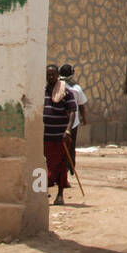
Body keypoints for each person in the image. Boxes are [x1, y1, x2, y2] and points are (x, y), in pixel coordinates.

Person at [42, 64, 78, 206]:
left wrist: (68, 130)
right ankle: (42, 193)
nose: (50, 77)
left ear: (58, 76)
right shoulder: (41, 91)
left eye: (53, 74)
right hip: (45, 136)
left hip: (60, 136)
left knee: (61, 166)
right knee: (43, 165)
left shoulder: (66, 92)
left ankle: (60, 194)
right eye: (48, 75)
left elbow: (72, 111)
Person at [58, 63, 87, 169]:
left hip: (58, 121)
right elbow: (81, 105)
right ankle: (70, 166)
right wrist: (83, 118)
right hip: (73, 123)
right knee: (71, 145)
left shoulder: (56, 87)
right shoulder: (76, 89)